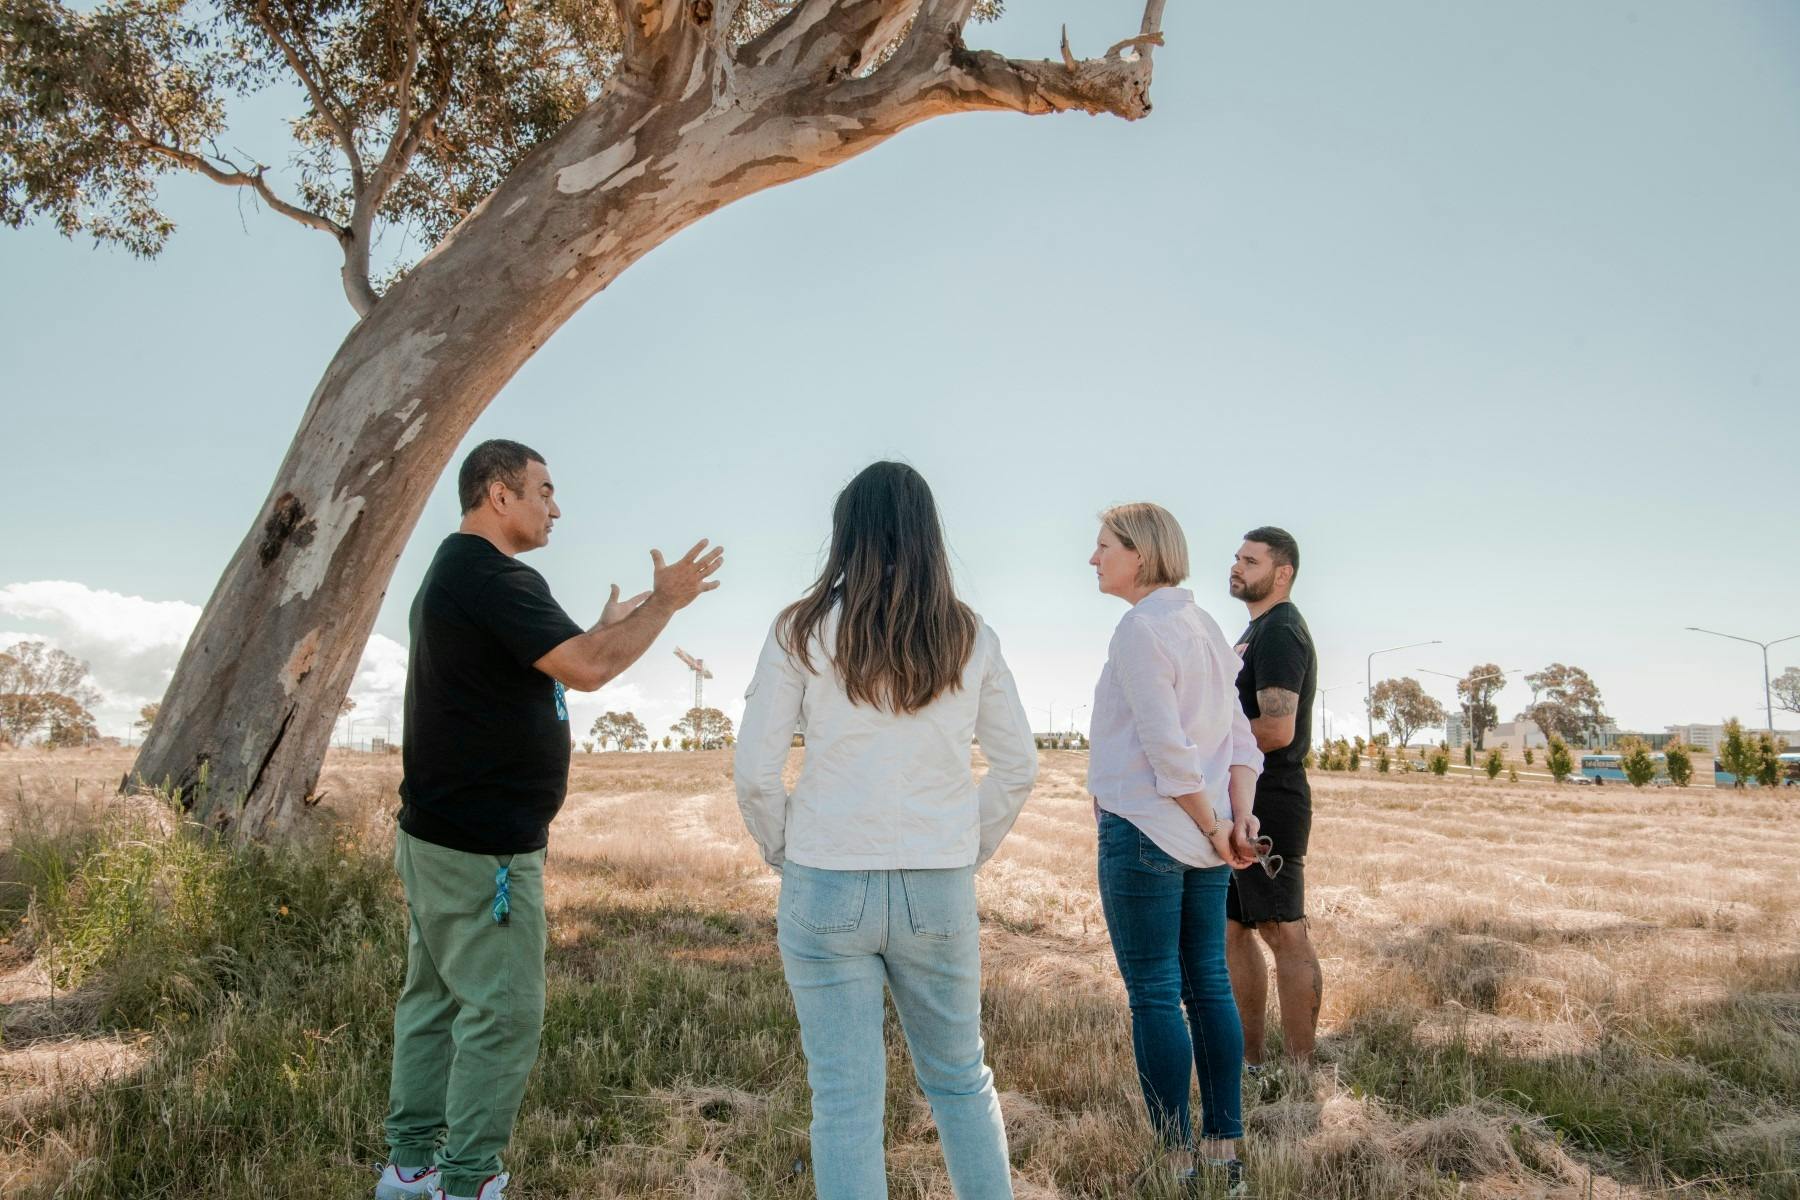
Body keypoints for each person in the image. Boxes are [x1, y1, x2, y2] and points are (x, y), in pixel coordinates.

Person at [376, 439, 723, 1200]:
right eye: (544, 490)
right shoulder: (495, 575)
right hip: (482, 850)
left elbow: (572, 655)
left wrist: (608, 623)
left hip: (438, 834)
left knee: (433, 1003)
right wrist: (666, 603)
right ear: (499, 495)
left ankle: (409, 1171)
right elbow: (591, 669)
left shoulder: (459, 571)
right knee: (504, 1016)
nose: (556, 506)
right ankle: (467, 1182)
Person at [734, 461, 1037, 1200]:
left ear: (846, 534)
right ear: (929, 534)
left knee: (843, 1104)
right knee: (962, 1081)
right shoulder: (970, 636)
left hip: (826, 878)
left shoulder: (800, 630)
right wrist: (966, 850)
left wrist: (785, 849)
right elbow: (1017, 766)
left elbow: (755, 773)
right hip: (936, 882)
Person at [1086, 503, 1262, 1197]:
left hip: (1146, 829)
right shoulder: (1207, 628)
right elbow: (1240, 745)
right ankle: (1224, 1151)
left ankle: (1175, 1159)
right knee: (1208, 985)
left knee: (1156, 993)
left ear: (1140, 553)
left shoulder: (1141, 629)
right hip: (1209, 834)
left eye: (1103, 546)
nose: (1094, 559)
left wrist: (1219, 823)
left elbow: (1168, 752)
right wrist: (1235, 821)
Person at [1225, 526, 1321, 1075]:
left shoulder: (1282, 630)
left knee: (1283, 928)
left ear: (1281, 573)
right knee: (1234, 929)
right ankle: (1252, 1061)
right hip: (1239, 800)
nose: (1237, 567)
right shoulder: (1256, 629)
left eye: (1250, 560)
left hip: (1273, 799)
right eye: (1237, 558)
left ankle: (1302, 1069)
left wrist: (1212, 746)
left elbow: (1278, 729)